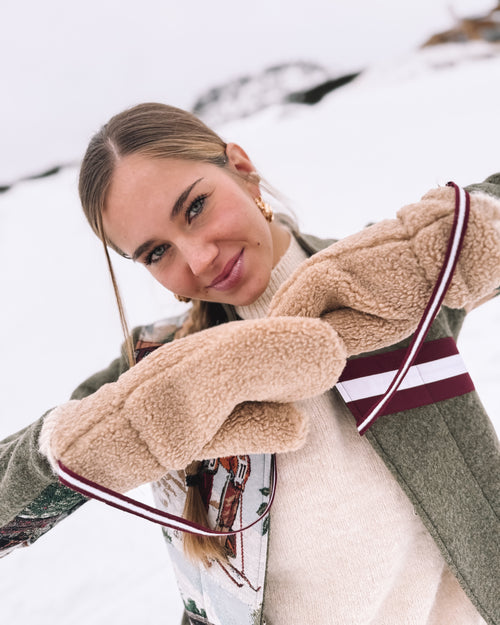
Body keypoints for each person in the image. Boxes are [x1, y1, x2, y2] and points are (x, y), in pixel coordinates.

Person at [1, 102, 499, 625]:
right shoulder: (158, 367)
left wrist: (472, 223)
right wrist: (122, 430)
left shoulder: (387, 278)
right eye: (155, 253)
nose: (197, 260)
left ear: (241, 169)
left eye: (194, 208)